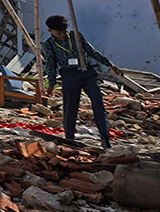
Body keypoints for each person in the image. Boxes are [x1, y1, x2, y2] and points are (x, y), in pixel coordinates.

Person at [40, 14, 123, 150]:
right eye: (58, 33)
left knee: (98, 104)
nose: (61, 35)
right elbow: (51, 64)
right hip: (69, 75)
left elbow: (91, 51)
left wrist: (109, 64)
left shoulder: (75, 36)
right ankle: (69, 138)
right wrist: (51, 83)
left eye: (64, 32)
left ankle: (105, 138)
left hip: (86, 72)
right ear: (50, 31)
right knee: (70, 107)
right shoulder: (49, 44)